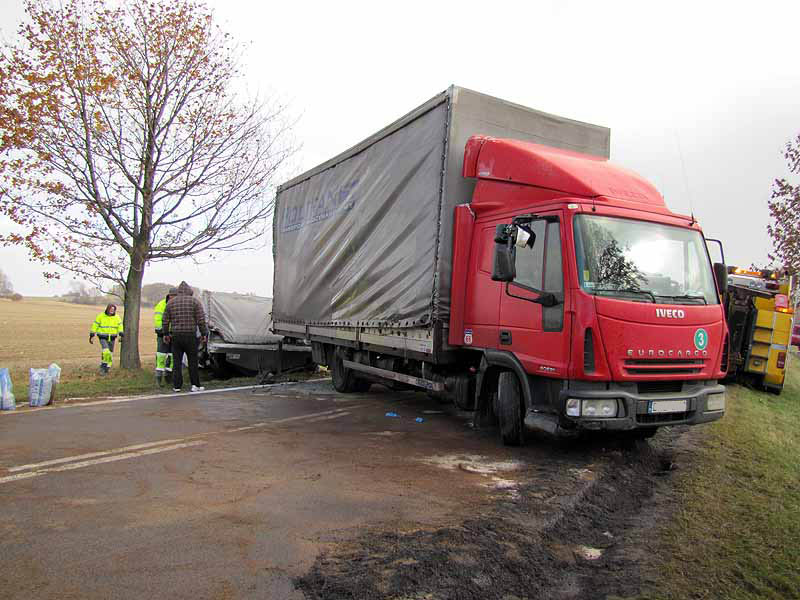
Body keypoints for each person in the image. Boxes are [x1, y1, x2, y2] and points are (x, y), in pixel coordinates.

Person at [162, 281, 208, 392]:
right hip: (190, 335)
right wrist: (204, 334)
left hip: (176, 336)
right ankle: (195, 385)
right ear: (189, 292)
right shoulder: (195, 302)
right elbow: (201, 320)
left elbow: (165, 320)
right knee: (193, 361)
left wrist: (166, 334)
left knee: (177, 362)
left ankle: (177, 386)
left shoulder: (171, 303)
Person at [89, 303, 124, 374]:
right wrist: (92, 335)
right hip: (102, 337)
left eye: (113, 310)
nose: (112, 311)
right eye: (111, 309)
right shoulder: (101, 316)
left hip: (112, 337)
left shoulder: (117, 317)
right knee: (106, 351)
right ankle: (103, 366)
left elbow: (120, 326)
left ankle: (107, 367)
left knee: (110, 353)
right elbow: (95, 325)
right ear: (107, 309)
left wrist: (121, 334)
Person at [153, 287, 178, 386]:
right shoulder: (161, 305)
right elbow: (158, 320)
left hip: (174, 334)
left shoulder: (177, 304)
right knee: (161, 356)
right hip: (162, 334)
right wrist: (163, 333)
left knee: (172, 357)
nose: (174, 298)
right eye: (173, 296)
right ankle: (158, 380)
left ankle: (169, 378)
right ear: (170, 295)